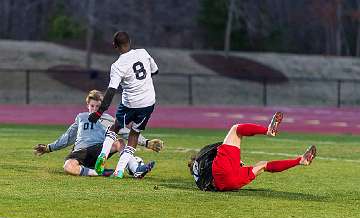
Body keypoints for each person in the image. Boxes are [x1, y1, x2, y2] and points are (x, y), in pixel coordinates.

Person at [33, 90, 163, 177]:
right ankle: (101, 172)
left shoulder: (108, 119)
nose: (94, 109)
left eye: (98, 106)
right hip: (81, 152)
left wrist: (146, 142)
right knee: (68, 167)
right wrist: (49, 148)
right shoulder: (81, 117)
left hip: (100, 151)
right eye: (92, 106)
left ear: (102, 107)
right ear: (87, 106)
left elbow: (126, 132)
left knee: (120, 142)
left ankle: (136, 169)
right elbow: (68, 137)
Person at [87, 31, 159, 178]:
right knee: (134, 134)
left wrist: (99, 112)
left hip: (130, 103)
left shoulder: (118, 65)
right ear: (130, 41)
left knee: (115, 127)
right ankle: (119, 170)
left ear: (114, 45)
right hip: (148, 102)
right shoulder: (143, 52)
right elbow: (155, 71)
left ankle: (103, 155)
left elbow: (111, 90)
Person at [188, 112, 317, 191]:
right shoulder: (203, 156)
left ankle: (301, 160)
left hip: (228, 184)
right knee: (236, 129)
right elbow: (219, 146)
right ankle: (267, 131)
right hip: (223, 174)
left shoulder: (199, 172)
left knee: (263, 165)